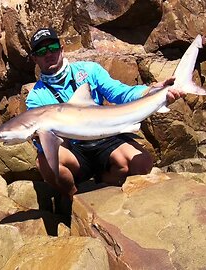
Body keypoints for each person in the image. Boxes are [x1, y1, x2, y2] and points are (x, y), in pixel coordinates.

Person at [26, 27, 184, 198]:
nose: (48, 53)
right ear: (35, 58)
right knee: (46, 162)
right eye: (41, 51)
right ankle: (74, 201)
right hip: (74, 149)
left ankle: (105, 177)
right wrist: (40, 139)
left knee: (142, 162)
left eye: (53, 47)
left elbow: (120, 93)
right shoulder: (36, 97)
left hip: (104, 139)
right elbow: (46, 144)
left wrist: (152, 91)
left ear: (62, 49)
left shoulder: (89, 70)